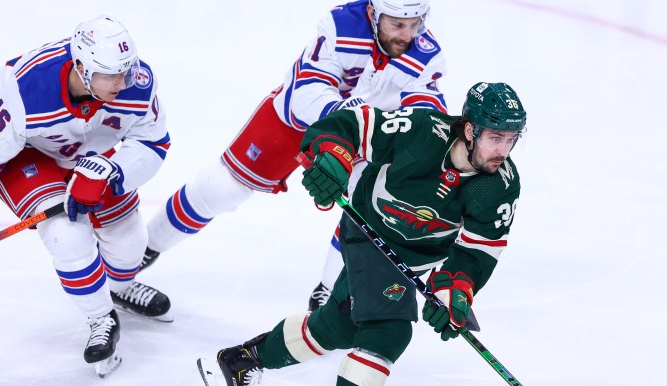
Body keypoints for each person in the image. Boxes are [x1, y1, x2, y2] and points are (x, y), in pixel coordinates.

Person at [197, 81, 527, 386]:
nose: (503, 151)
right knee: (388, 332)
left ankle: (240, 360)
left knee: (338, 325)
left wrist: (453, 293)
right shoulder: (422, 131)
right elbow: (351, 125)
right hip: (368, 230)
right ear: (470, 129)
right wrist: (334, 158)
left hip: (414, 259)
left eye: (512, 140)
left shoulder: (500, 185)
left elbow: (476, 252)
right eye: (496, 137)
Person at [142, 0, 447, 311]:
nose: (407, 35)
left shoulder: (426, 53)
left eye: (415, 23)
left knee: (370, 201)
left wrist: (417, 146)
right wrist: (341, 125)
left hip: (362, 133)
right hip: (298, 120)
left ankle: (330, 291)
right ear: (373, 14)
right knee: (222, 188)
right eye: (397, 24)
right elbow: (308, 90)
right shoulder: (341, 27)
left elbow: (425, 109)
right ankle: (145, 247)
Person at [0, 16, 173, 377]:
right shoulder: (24, 92)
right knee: (66, 234)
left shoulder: (136, 84)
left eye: (128, 69)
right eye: (112, 74)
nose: (124, 82)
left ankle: (120, 286)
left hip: (91, 152)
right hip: (27, 155)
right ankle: (101, 318)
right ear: (81, 67)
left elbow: (153, 142)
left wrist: (112, 172)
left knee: (129, 244)